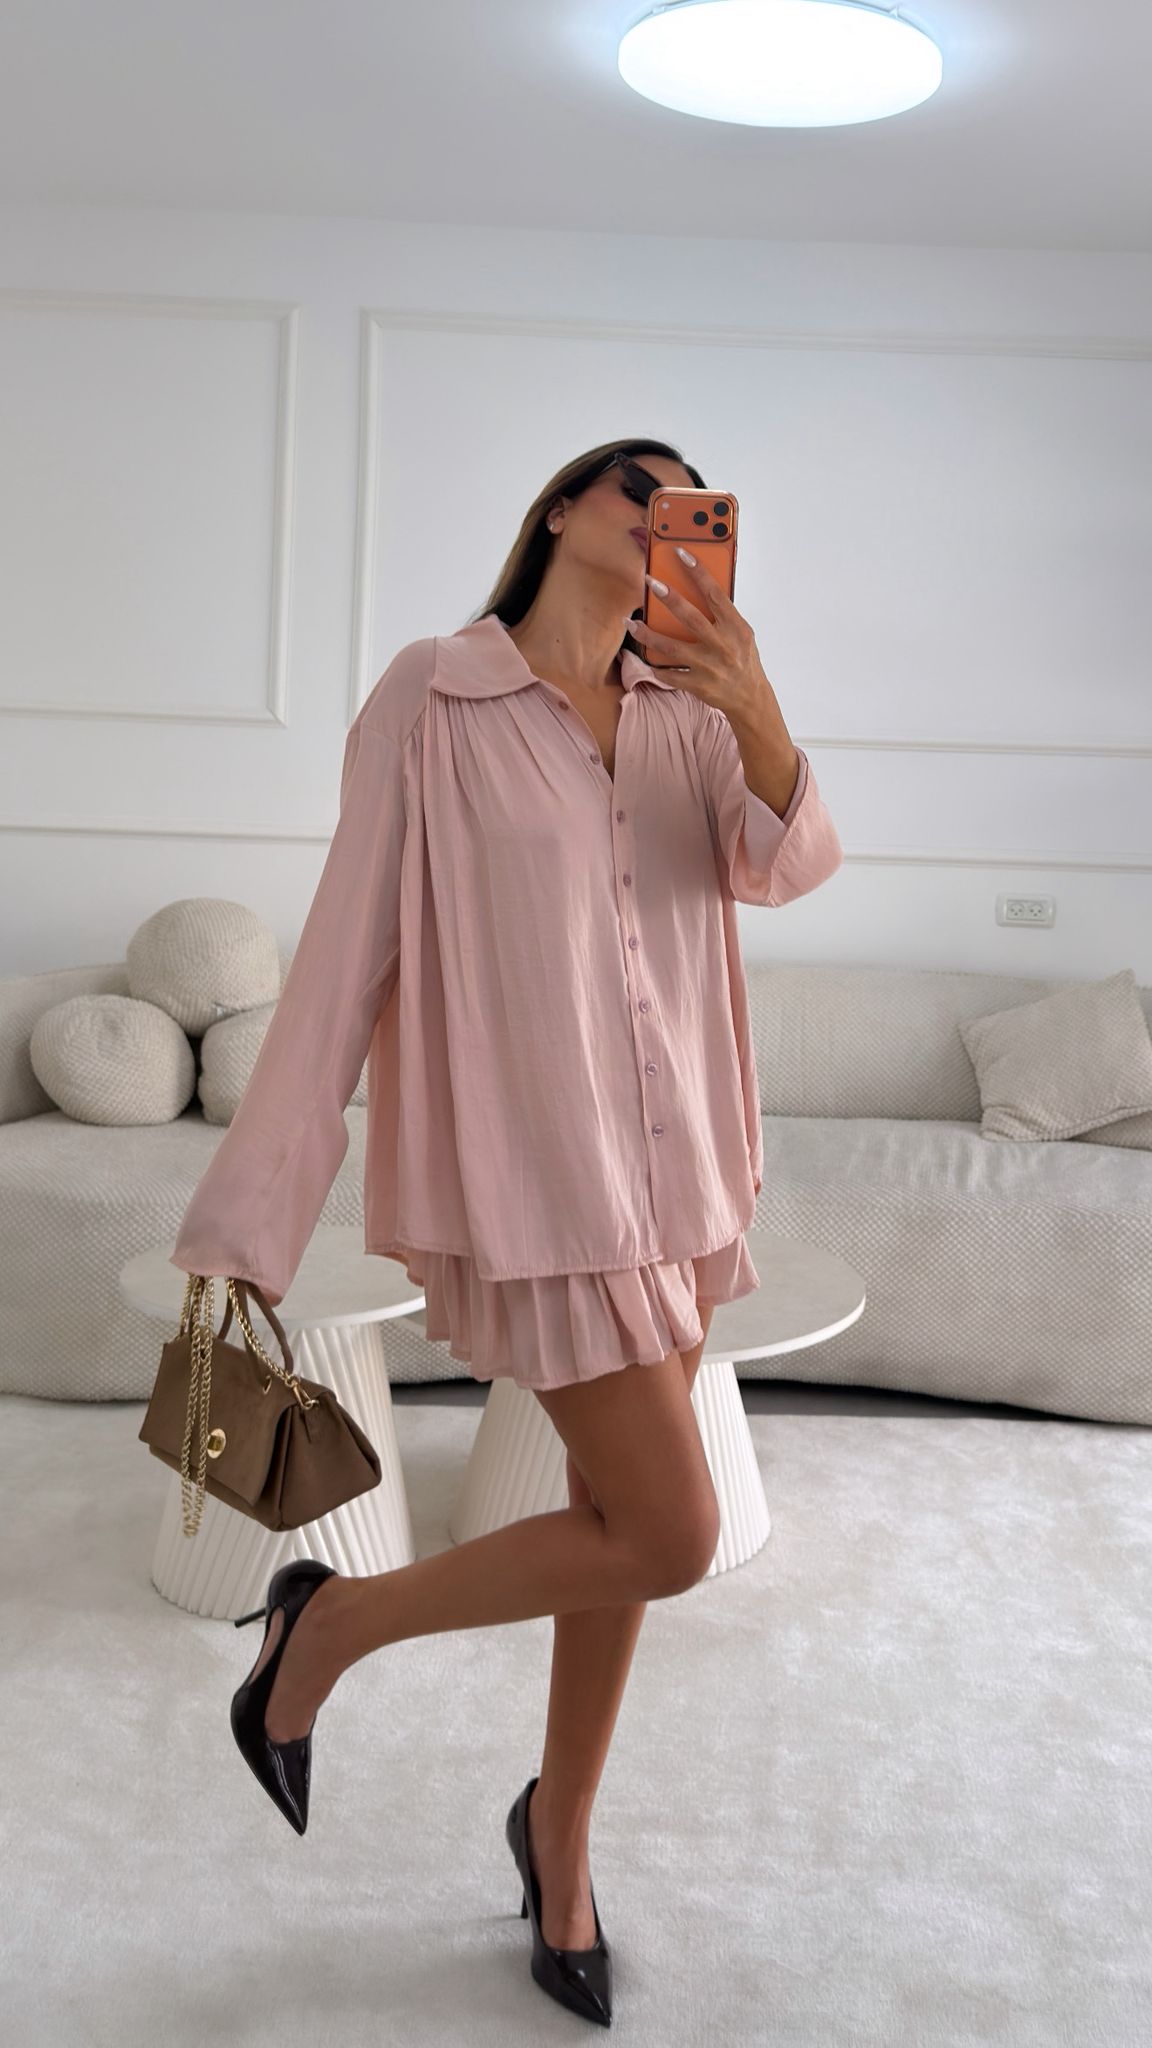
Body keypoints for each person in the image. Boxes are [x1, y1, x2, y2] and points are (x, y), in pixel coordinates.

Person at [172, 439, 843, 2027]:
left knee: (622, 1521)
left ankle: (560, 1841)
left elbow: (787, 867)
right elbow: (346, 945)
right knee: (671, 1533)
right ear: (557, 512)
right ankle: (327, 1625)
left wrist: (753, 700)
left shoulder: (692, 709)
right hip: (545, 1182)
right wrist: (255, 1208)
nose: (668, 517)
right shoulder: (436, 694)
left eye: (692, 505)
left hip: (683, 1177)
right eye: (640, 490)